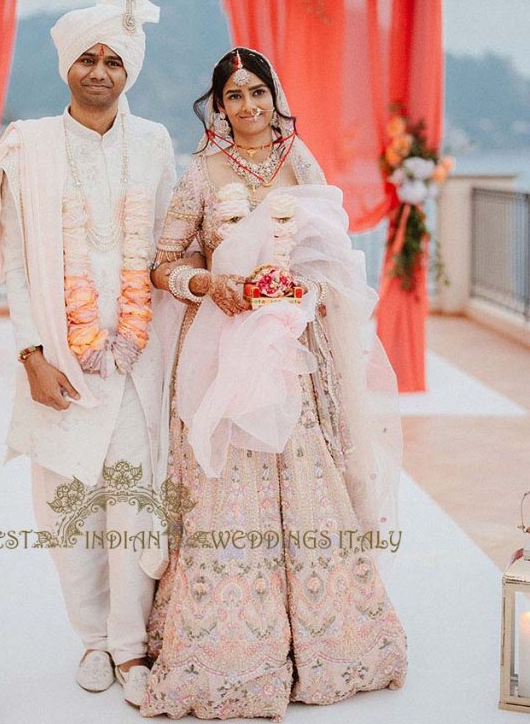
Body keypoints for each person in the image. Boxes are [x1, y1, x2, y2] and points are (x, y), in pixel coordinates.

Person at [139, 47, 408, 721]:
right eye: (234, 97)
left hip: (295, 351)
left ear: (273, 95)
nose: (249, 107)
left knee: (304, 484)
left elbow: (336, 257)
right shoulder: (199, 173)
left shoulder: (300, 160)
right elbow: (162, 263)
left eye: (257, 93)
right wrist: (208, 283)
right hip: (222, 353)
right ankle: (233, 651)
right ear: (218, 106)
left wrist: (301, 292)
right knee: (230, 491)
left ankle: (327, 643)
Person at [0, 0, 180, 708]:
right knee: (69, 502)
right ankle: (92, 637)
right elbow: (21, 264)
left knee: (135, 501)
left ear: (129, 71)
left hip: (137, 356)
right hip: (59, 359)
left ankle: (130, 647)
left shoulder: (154, 143)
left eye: (113, 60)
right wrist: (33, 356)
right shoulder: (28, 143)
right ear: (67, 64)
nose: (99, 71)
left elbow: (166, 247)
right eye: (87, 58)